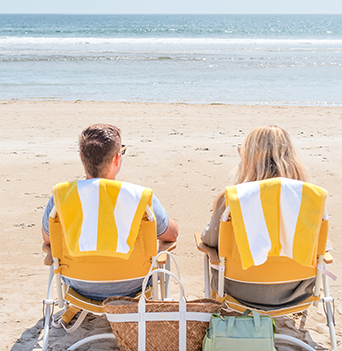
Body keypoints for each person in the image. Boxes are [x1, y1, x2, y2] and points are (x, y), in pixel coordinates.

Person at [42, 124, 179, 301]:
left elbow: (48, 239)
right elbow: (171, 235)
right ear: (116, 159)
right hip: (135, 284)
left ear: (81, 158)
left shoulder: (61, 196)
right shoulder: (139, 197)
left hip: (79, 283)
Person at [200, 125, 317, 309]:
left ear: (249, 158)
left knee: (213, 254)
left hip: (240, 290)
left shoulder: (234, 200)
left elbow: (210, 241)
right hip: (297, 290)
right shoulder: (309, 200)